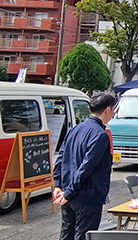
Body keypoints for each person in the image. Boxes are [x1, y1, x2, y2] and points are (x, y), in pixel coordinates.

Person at [53, 94, 115, 240]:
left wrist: (58, 185)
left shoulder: (75, 129)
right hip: (87, 195)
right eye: (113, 109)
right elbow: (86, 167)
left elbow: (61, 158)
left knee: (66, 233)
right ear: (107, 110)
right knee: (83, 235)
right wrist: (68, 192)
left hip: (68, 192)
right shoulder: (100, 135)